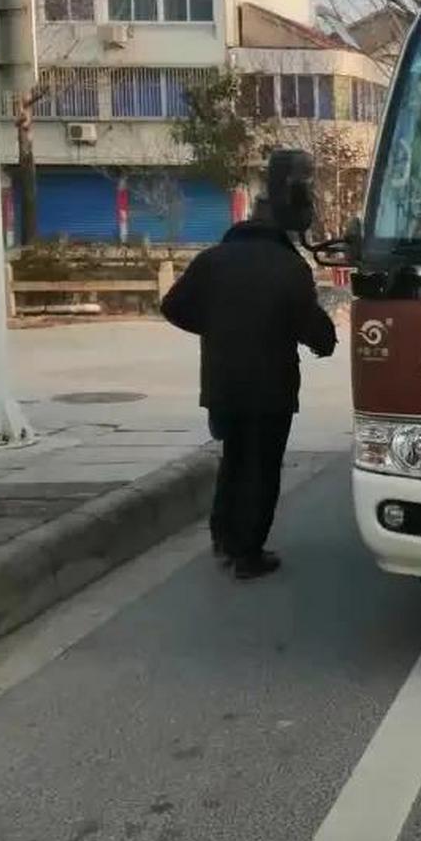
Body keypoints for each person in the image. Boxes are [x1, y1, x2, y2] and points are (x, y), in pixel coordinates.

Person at [161, 150, 337, 579]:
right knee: (262, 467)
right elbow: (314, 329)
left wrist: (215, 329)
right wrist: (323, 342)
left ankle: (223, 538)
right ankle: (248, 553)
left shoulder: (212, 260)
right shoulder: (289, 268)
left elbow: (173, 306)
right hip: (271, 389)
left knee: (234, 459)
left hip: (222, 385)